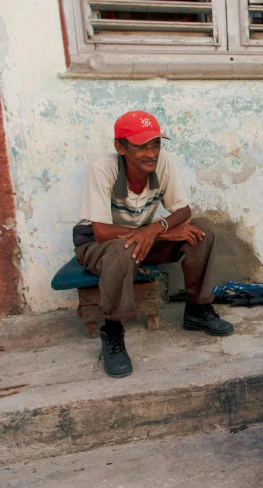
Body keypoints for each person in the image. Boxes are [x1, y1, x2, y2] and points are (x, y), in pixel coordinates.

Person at [73, 111, 234, 378]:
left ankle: (197, 309)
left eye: (156, 144)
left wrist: (156, 229)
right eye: (140, 146)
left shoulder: (163, 163)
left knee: (202, 228)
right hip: (100, 244)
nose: (151, 153)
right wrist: (158, 233)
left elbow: (183, 211)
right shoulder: (103, 168)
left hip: (144, 238)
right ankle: (113, 334)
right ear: (120, 147)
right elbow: (101, 232)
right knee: (120, 250)